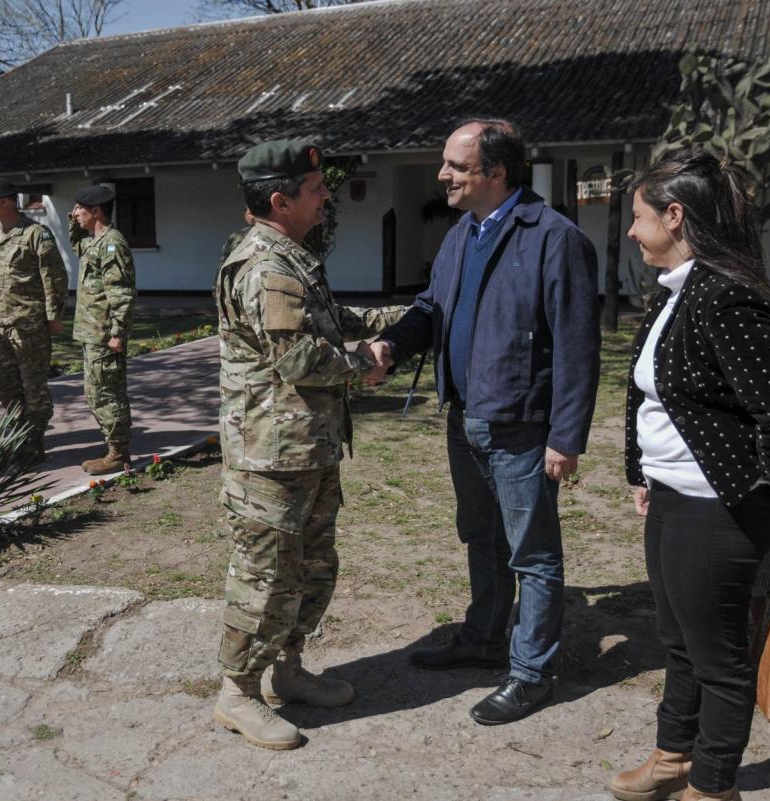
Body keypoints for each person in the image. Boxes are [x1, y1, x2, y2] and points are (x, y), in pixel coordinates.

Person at [371, 119, 600, 725]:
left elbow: (579, 348)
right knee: (481, 537)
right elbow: (429, 308)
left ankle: (532, 672)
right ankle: (484, 639)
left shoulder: (555, 238)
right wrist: (393, 346)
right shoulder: (462, 234)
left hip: (521, 426)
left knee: (533, 555)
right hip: (464, 418)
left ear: (496, 173)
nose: (442, 175)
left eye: (456, 166)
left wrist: (566, 438)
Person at [606, 150, 770, 801]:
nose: (633, 231)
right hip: (672, 499)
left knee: (718, 659)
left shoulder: (726, 300)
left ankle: (714, 785)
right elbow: (654, 395)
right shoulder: (677, 294)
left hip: (719, 508)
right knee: (677, 640)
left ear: (675, 215)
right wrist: (643, 471)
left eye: (639, 217)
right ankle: (673, 755)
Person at [212, 139, 404, 750]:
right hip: (271, 456)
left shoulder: (291, 256)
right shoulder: (264, 264)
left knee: (313, 569)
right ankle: (237, 694)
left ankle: (288, 671)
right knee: (265, 575)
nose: (326, 196)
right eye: (316, 189)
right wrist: (364, 361)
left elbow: (317, 321)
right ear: (279, 199)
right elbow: (297, 355)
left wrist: (388, 319)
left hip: (307, 447)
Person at [0, 177, 69, 462]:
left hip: (28, 324)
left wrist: (54, 316)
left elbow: (53, 277)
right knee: (8, 389)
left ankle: (34, 442)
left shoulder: (35, 234)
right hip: (0, 324)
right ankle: (19, 436)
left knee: (33, 386)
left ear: (6, 202)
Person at [69, 184, 136, 475]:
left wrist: (117, 332)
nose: (74, 215)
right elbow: (76, 244)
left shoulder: (112, 243)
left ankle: (119, 452)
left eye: (79, 210)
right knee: (95, 392)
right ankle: (113, 448)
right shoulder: (93, 241)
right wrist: (73, 222)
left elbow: (121, 291)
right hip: (91, 332)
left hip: (104, 333)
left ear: (95, 211)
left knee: (107, 393)